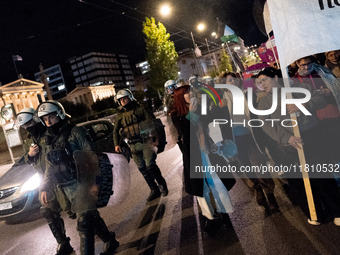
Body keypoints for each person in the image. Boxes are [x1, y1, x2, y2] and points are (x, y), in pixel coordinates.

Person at [257, 67, 340, 226]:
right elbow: (265, 123)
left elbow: (320, 99)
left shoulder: (298, 87)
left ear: (275, 77)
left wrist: (302, 105)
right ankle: (314, 213)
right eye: (259, 82)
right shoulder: (264, 101)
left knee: (322, 174)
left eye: (264, 80)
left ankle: (336, 210)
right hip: (289, 145)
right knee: (301, 181)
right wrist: (286, 137)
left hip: (312, 136)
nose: (261, 84)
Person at [36, 100, 119, 255]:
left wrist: (95, 183)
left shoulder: (75, 132)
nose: (48, 122)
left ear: (59, 114)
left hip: (83, 184)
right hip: (64, 188)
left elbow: (91, 157)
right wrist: (45, 188)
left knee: (84, 223)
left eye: (51, 117)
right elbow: (49, 166)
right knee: (90, 216)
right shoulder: (49, 140)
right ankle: (110, 240)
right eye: (44, 119)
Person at [15, 108, 75, 255]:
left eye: (29, 123)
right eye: (24, 126)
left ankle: (107, 238)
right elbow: (27, 160)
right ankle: (63, 243)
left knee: (79, 211)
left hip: (62, 178)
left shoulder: (50, 133)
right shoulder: (29, 140)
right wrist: (30, 155)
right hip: (46, 182)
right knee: (48, 211)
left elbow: (51, 160)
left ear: (36, 119)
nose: (28, 128)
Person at [220, 72, 278, 213]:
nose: (232, 82)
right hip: (234, 141)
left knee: (260, 165)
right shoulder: (222, 103)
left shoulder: (249, 94)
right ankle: (257, 188)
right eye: (228, 80)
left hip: (252, 136)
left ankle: (270, 195)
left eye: (234, 79)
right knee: (245, 167)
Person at [114, 89, 168, 201]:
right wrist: (116, 144)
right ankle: (154, 190)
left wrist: (155, 139)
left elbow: (153, 123)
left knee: (150, 165)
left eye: (125, 98)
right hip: (132, 145)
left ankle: (161, 183)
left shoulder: (141, 109)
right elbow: (115, 131)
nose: (123, 101)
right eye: (120, 100)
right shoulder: (120, 115)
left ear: (130, 97)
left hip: (146, 142)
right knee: (142, 168)